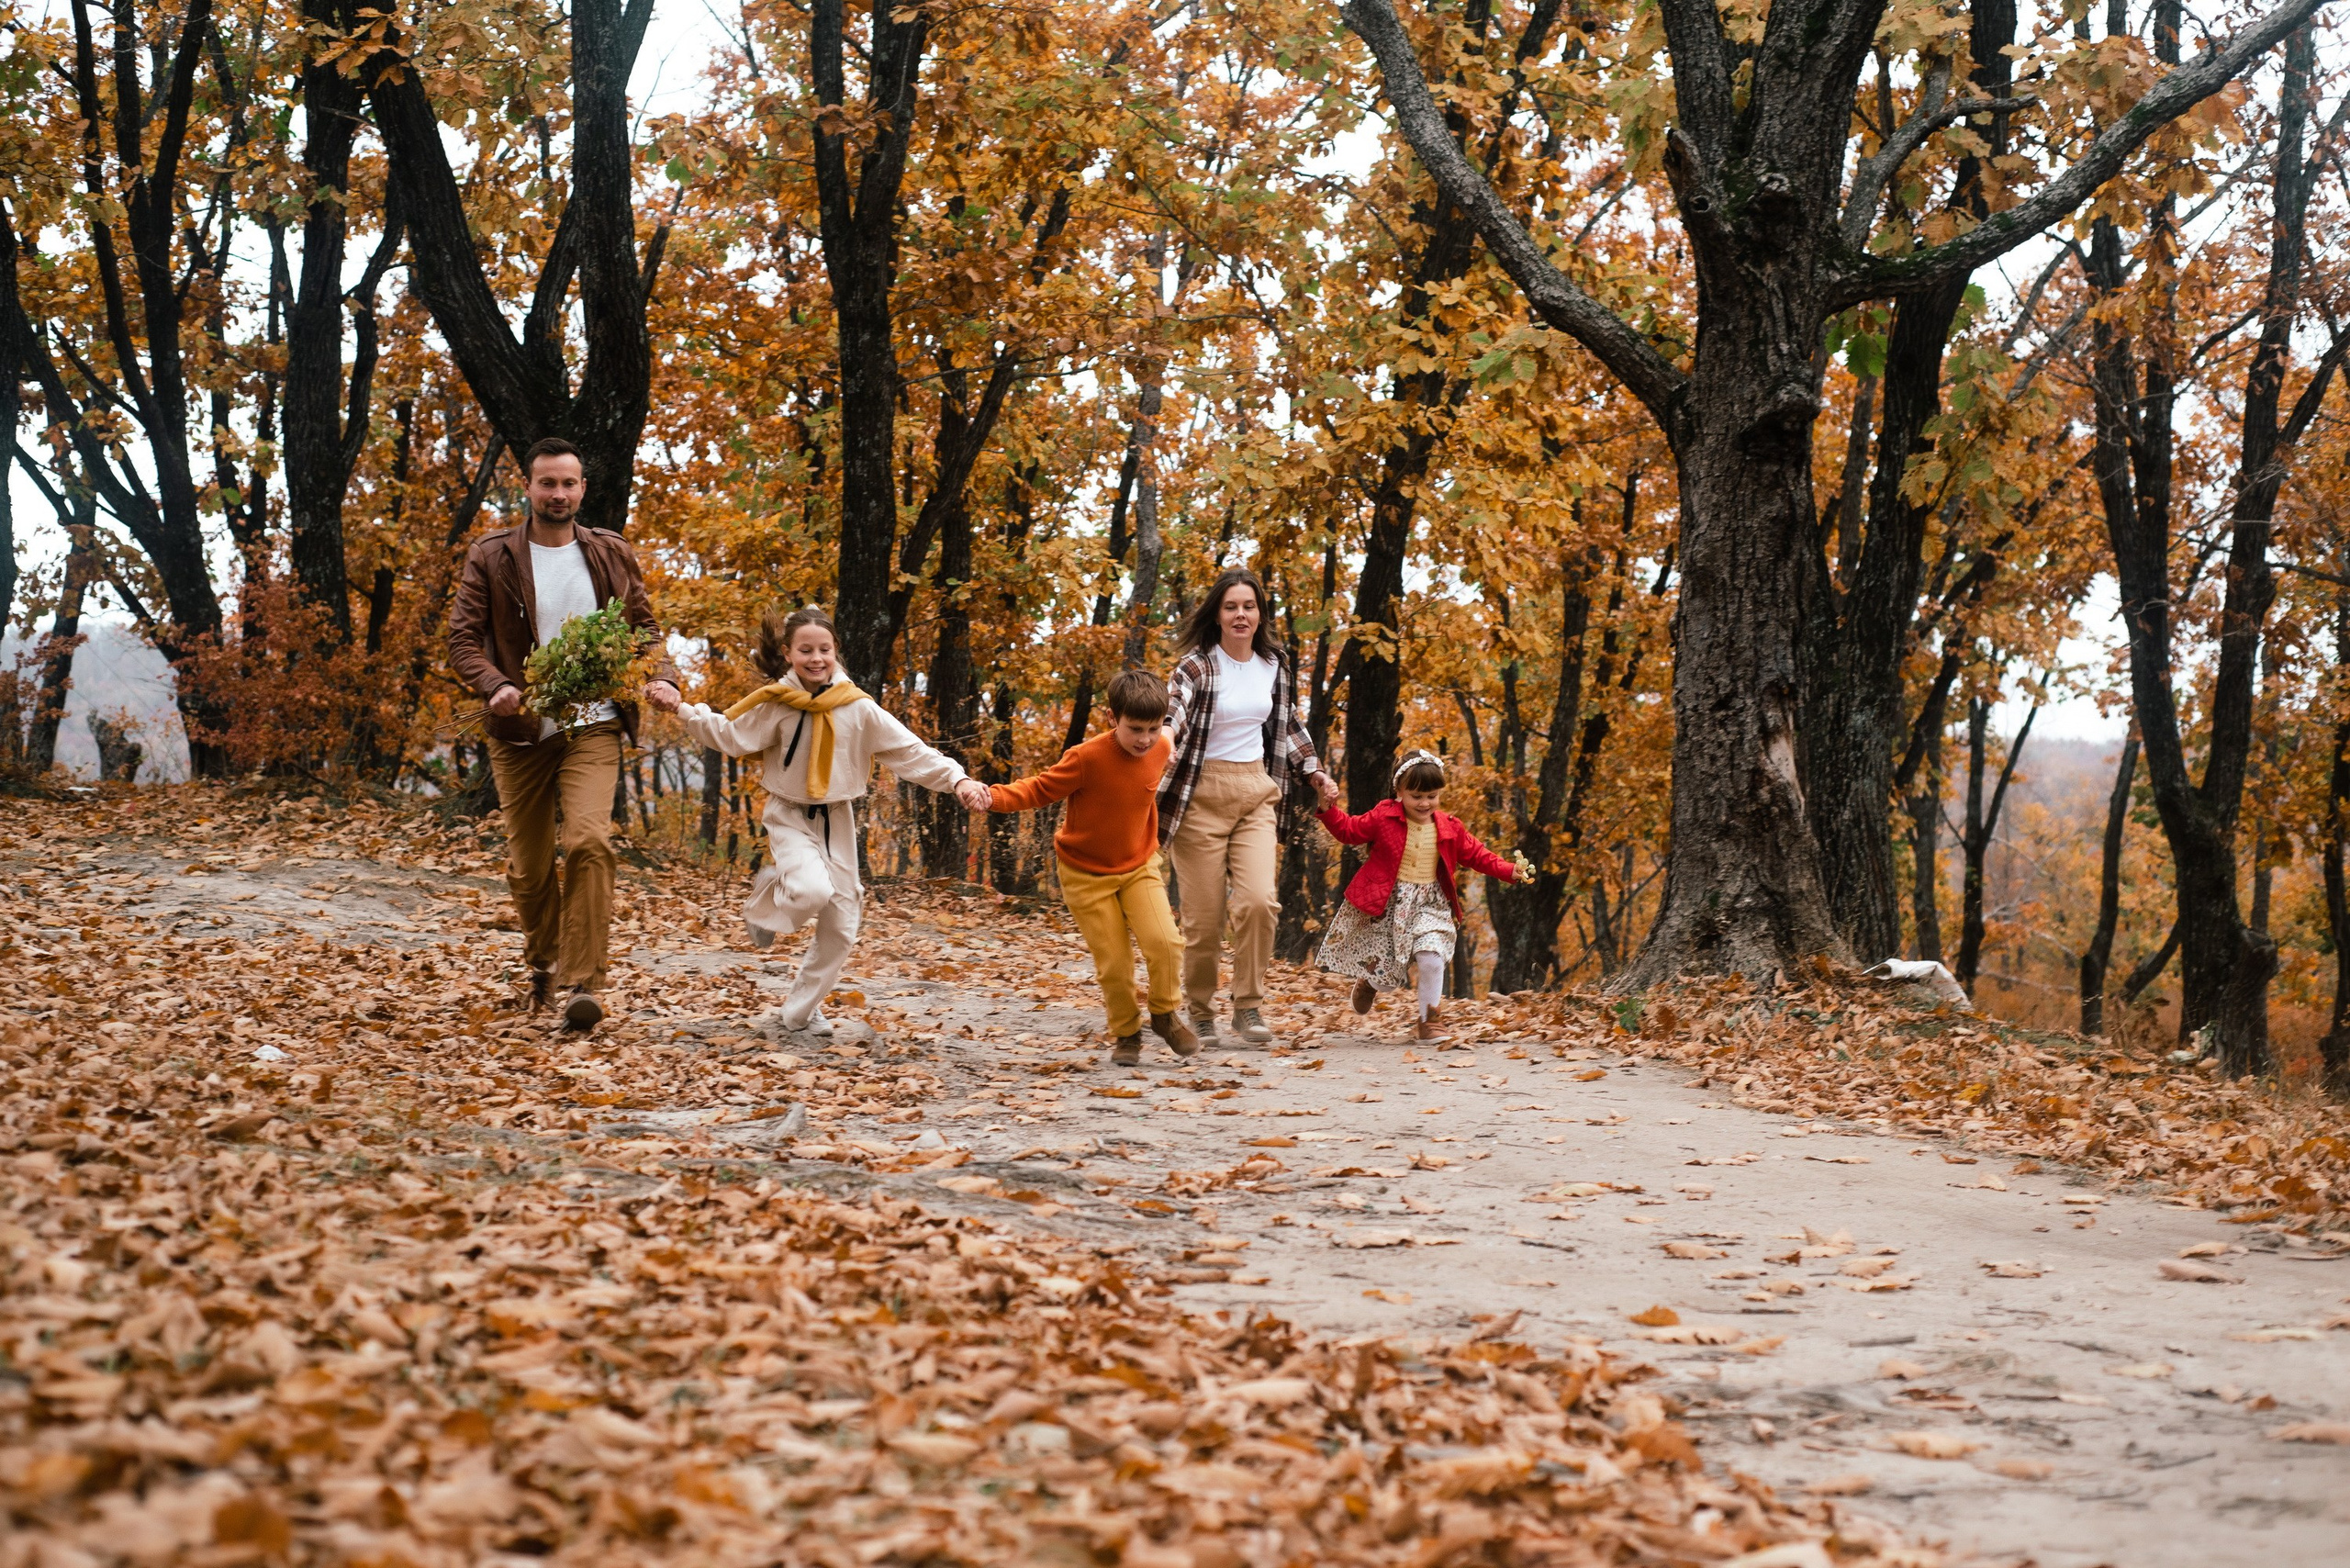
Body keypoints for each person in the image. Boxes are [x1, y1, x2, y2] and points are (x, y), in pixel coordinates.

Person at [448, 436, 682, 1033]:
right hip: (520, 731)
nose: (558, 493)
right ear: (527, 487)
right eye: (548, 483)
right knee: (529, 871)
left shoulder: (609, 552)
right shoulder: (493, 555)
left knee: (588, 842)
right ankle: (544, 963)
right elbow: (463, 640)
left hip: (592, 724)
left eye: (568, 483)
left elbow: (645, 630)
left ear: (582, 489)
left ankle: (583, 984)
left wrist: (662, 677)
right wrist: (496, 684)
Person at [676, 606, 991, 1037]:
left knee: (842, 926)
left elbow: (910, 751)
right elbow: (729, 734)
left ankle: (800, 1013)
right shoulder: (776, 703)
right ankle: (769, 899)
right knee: (811, 890)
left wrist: (958, 780)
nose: (816, 658)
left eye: (824, 649)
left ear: (835, 651)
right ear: (788, 654)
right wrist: (682, 709)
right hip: (788, 814)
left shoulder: (857, 708)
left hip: (837, 819)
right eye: (805, 650)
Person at [1158, 567, 1340, 1046]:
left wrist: (1314, 770)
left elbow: (1289, 722)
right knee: (1203, 921)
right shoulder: (1197, 665)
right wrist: (1166, 738)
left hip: (1256, 791)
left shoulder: (1273, 664)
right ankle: (1200, 1012)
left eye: (1249, 606)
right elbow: (1176, 707)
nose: (1241, 615)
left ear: (1260, 614)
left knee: (1260, 902)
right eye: (1231, 607)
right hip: (1201, 797)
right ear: (1217, 615)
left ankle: (1248, 1007)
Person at [985, 669, 1201, 1067]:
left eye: (1153, 729)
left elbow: (1168, 739)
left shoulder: (1160, 747)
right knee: (1115, 963)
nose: (1145, 739)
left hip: (1138, 866)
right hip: (1085, 873)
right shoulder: (1086, 758)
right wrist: (991, 797)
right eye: (1135, 729)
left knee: (1166, 942)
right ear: (1111, 718)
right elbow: (1039, 788)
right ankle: (1127, 1033)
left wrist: (1164, 738)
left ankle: (1165, 1014)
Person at [1315, 748, 1533, 1045]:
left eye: (1432, 795)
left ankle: (1430, 1021)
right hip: (1389, 905)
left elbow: (1477, 855)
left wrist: (1509, 870)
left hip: (1430, 904)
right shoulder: (1383, 816)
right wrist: (1328, 809)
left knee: (1432, 959)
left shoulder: (1449, 827)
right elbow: (1349, 831)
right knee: (1388, 979)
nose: (1425, 803)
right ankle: (1371, 982)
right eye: (1416, 796)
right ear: (1399, 791)